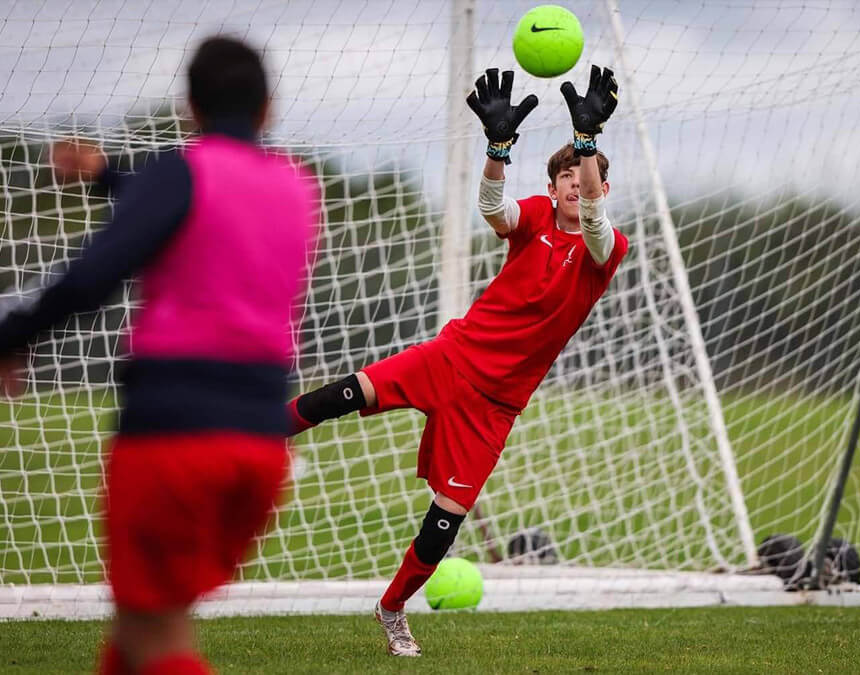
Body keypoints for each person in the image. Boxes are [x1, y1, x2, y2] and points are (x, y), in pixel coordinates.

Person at [0, 37, 317, 674]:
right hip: (259, 445)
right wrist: (107, 175)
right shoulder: (296, 186)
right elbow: (200, 205)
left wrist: (14, 339)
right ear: (268, 108)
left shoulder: (183, 170)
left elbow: (95, 275)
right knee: (139, 632)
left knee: (156, 635)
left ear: (190, 106)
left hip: (175, 436)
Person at [287, 65, 625, 657]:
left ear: (599, 187)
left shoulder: (606, 246)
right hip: (451, 356)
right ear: (552, 188)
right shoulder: (536, 217)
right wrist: (497, 149)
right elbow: (494, 209)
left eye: (584, 176)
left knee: (444, 521)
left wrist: (589, 141)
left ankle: (391, 610)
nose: (576, 183)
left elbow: (596, 225)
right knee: (339, 395)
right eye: (566, 175)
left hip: (495, 406)